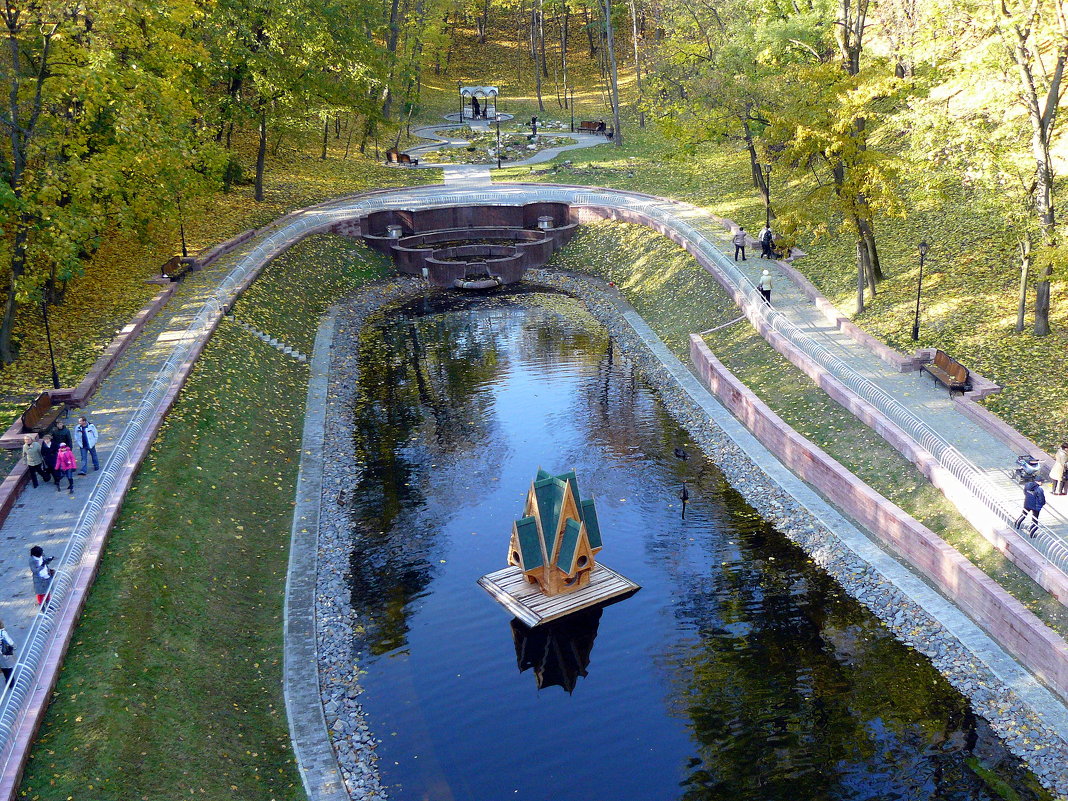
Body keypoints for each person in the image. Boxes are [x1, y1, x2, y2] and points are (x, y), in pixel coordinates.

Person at [0, 621, 14, 686]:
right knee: (9, 668)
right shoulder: (2, 632)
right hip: (5, 653)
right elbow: (10, 642)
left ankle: (7, 680)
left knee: (3, 668)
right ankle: (11, 683)